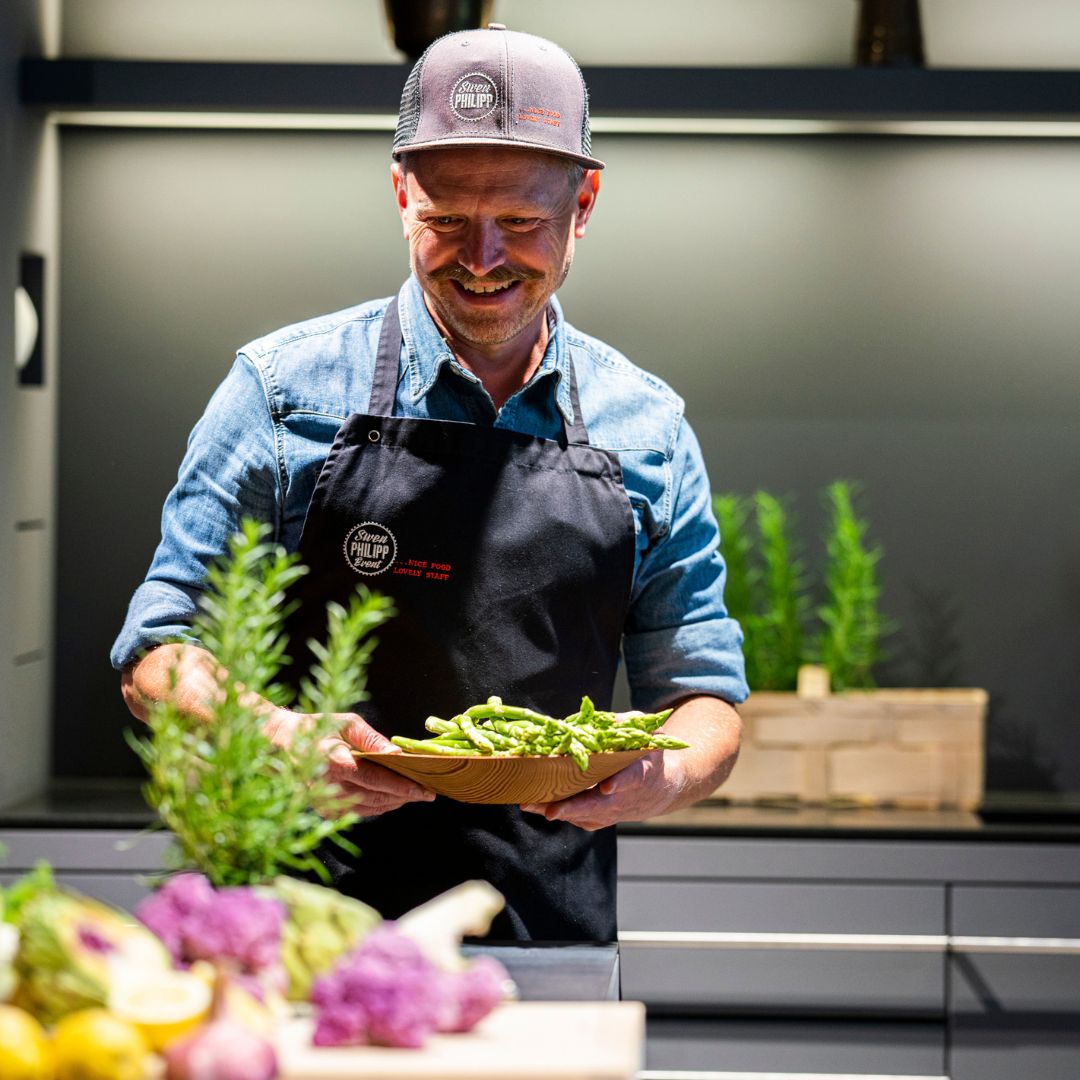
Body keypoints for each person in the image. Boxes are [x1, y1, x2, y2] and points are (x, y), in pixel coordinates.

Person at [112, 24, 747, 941]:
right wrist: (273, 734)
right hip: (299, 933)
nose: (482, 258)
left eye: (520, 222)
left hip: (543, 934)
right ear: (402, 192)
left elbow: (702, 692)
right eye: (448, 219)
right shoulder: (281, 393)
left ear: (583, 203)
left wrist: (664, 774)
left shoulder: (645, 426)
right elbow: (159, 649)